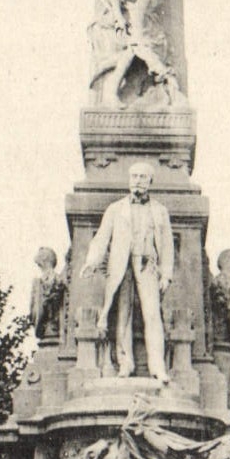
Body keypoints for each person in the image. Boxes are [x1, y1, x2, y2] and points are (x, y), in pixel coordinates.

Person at [82, 162, 174, 384]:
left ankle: (157, 366)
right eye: (134, 176)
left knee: (152, 314)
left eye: (143, 177)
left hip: (148, 264)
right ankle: (125, 363)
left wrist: (166, 273)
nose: (138, 181)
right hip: (121, 265)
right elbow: (102, 237)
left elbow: (167, 245)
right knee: (123, 314)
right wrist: (92, 261)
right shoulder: (115, 209)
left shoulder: (160, 211)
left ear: (150, 181)